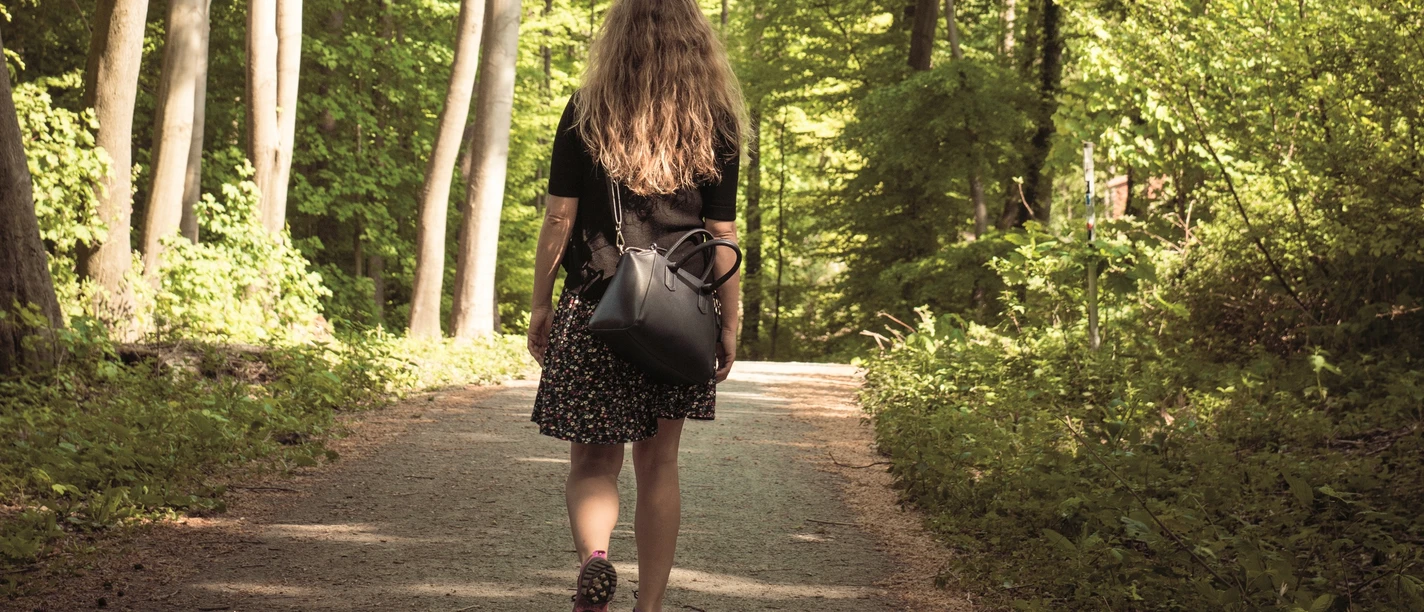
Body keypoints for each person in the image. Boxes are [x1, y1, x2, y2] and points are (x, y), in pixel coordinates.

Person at [525, 1, 746, 610]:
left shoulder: (585, 111)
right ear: (695, 40)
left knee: (594, 458)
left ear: (616, 37)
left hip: (598, 304)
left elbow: (559, 217)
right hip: (680, 314)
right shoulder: (716, 120)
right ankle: (648, 606)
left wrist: (540, 301)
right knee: (659, 463)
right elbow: (721, 230)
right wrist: (731, 320)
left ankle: (596, 560)